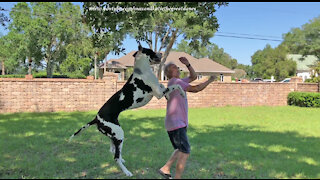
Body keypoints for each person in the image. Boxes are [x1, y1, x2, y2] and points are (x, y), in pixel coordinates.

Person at [158, 57, 216, 179]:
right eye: (174, 67)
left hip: (174, 123)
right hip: (177, 122)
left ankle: (166, 168)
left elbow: (193, 77)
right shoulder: (176, 82)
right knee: (185, 151)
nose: (177, 68)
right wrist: (210, 80)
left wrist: (188, 64)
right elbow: (196, 88)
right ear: (169, 72)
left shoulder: (175, 82)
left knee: (180, 148)